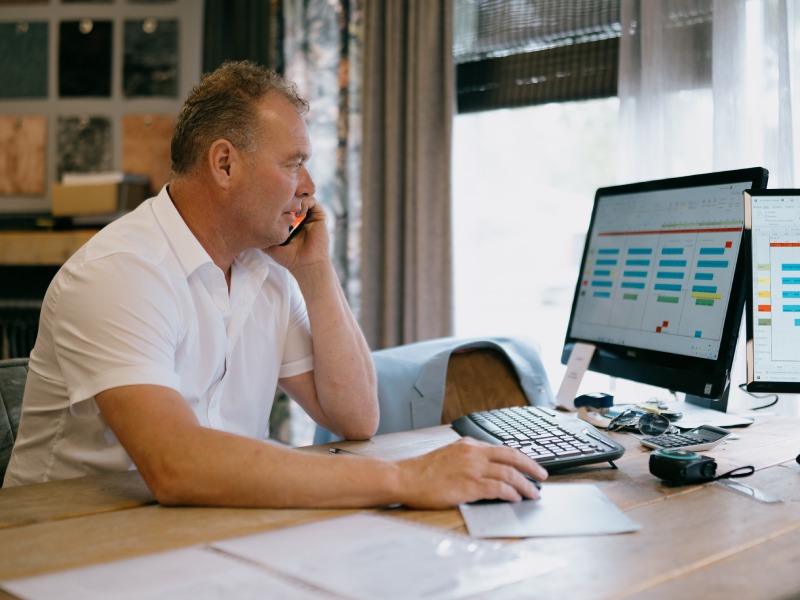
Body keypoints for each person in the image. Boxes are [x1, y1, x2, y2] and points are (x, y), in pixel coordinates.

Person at [3, 61, 546, 507]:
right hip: (67, 545)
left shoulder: (266, 273)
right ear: (224, 163)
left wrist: (315, 271)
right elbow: (176, 466)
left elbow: (356, 417)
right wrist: (405, 479)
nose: (309, 187)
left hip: (194, 531)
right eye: (294, 164)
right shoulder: (118, 272)